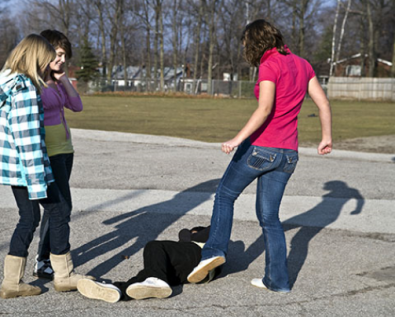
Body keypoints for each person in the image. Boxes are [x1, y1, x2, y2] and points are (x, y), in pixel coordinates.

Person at [187, 19, 332, 293]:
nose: (245, 49)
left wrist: (236, 139)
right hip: (288, 155)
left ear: (255, 42)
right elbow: (323, 103)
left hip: (261, 149)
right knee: (270, 218)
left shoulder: (269, 64)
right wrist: (326, 137)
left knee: (225, 195)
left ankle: (214, 250)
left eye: (246, 44)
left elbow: (264, 109)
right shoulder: (303, 64)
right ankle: (277, 281)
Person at [0, 34, 87, 299]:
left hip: (13, 167)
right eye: (48, 59)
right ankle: (64, 275)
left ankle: (12, 282)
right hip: (28, 167)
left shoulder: (6, 80)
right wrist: (37, 179)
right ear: (37, 58)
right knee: (59, 211)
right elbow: (27, 140)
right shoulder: (25, 89)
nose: (51, 64)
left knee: (28, 218)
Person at [32, 29, 85, 281]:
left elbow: (76, 106)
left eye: (65, 55)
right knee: (60, 207)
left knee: (57, 208)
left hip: (65, 151)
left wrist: (64, 80)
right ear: (45, 52)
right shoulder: (33, 82)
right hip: (49, 153)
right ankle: (45, 260)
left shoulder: (55, 81)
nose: (62, 59)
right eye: (59, 54)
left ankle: (48, 258)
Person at [76, 226, 220, 303]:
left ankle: (157, 280)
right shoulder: (187, 246)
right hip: (188, 273)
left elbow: (183, 233)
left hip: (196, 255)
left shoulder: (202, 238)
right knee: (147, 277)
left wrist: (192, 232)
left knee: (154, 246)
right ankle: (118, 290)